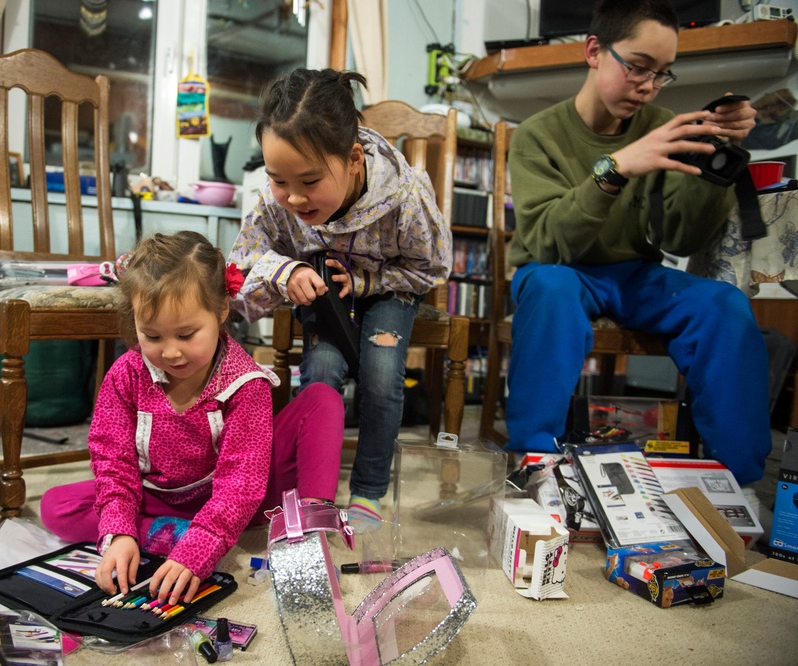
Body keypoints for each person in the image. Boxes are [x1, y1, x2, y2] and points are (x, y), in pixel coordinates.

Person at [505, 0, 771, 491]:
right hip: (558, 271)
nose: (648, 86)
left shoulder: (660, 125)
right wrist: (616, 167)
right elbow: (546, 245)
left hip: (631, 274)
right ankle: (534, 458)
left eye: (662, 74)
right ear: (593, 50)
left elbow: (680, 237)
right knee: (551, 289)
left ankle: (735, 482)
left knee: (723, 305)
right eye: (639, 67)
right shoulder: (536, 136)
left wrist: (718, 167)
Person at [40, 230, 344, 606]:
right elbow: (113, 461)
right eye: (151, 335)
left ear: (220, 311)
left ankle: (308, 533)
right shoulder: (125, 374)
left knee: (323, 399)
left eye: (186, 334)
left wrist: (202, 547)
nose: (171, 352)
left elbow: (242, 484)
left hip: (243, 498)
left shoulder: (245, 381)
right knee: (56, 506)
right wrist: (120, 533)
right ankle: (172, 533)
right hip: (161, 500)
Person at [228, 69, 452, 532]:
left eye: (309, 181)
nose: (293, 196)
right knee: (323, 372)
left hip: (390, 290)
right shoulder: (278, 203)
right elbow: (242, 264)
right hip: (325, 294)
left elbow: (432, 268)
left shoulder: (405, 196)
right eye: (277, 180)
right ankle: (314, 494)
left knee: (382, 372)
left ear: (353, 159)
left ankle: (369, 492)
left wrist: (368, 282)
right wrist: (284, 269)